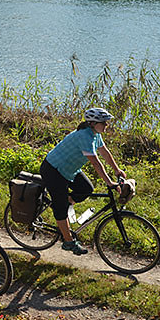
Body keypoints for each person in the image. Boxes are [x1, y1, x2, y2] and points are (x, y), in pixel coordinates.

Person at [40, 107, 126, 255]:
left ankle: (64, 203)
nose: (107, 125)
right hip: (54, 170)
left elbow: (105, 152)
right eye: (104, 123)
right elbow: (95, 162)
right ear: (93, 123)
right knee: (60, 209)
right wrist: (110, 182)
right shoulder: (84, 136)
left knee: (86, 188)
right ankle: (68, 242)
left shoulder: (94, 133)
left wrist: (117, 170)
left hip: (69, 170)